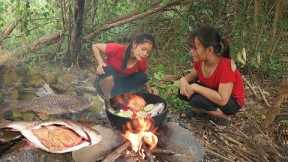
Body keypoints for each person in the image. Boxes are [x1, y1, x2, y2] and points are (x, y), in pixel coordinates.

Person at [179, 25, 245, 122]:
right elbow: (192, 76)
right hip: (213, 91)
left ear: (209, 50)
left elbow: (223, 100)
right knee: (183, 91)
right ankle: (204, 110)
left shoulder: (226, 66)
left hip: (231, 102)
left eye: (195, 48)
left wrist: (195, 87)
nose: (191, 52)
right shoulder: (200, 61)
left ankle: (222, 116)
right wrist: (183, 80)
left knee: (196, 99)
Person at [92, 33, 156, 99]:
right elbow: (95, 46)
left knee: (142, 76)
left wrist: (149, 88)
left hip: (120, 84)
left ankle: (118, 96)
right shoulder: (117, 49)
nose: (145, 54)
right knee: (107, 69)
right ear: (134, 44)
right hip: (107, 82)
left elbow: (144, 74)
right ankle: (107, 97)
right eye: (143, 49)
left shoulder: (141, 61)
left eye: (148, 52)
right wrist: (100, 63)